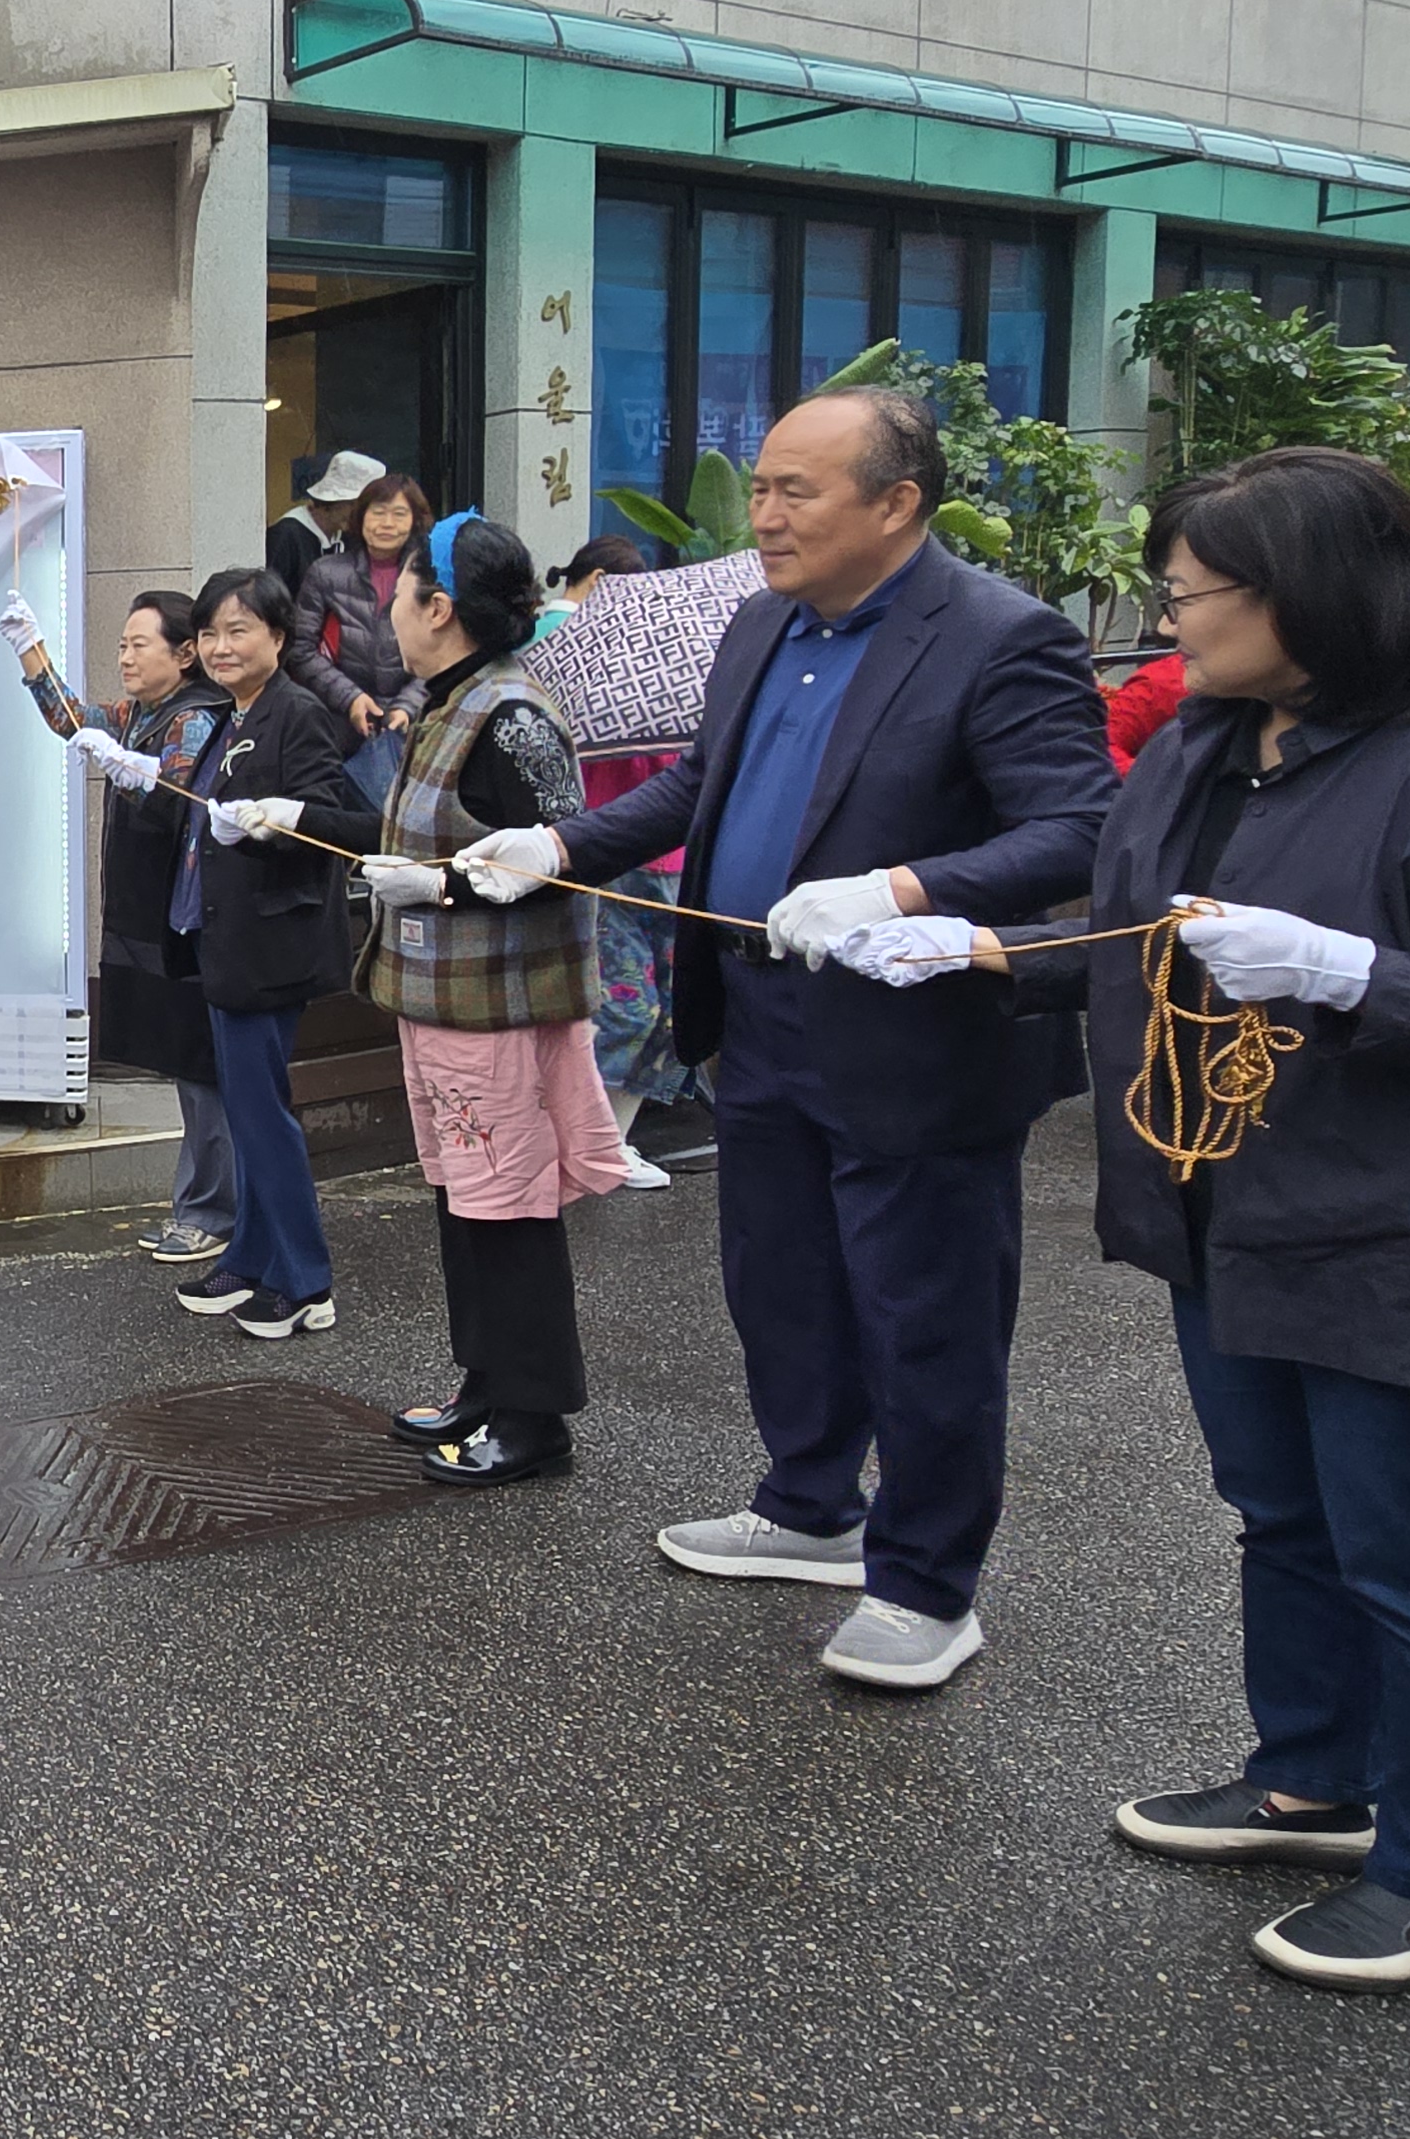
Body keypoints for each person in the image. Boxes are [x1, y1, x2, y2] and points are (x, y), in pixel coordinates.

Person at [838, 449, 1410, 1988]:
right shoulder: (1200, 746)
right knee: (1283, 1515)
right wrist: (979, 950)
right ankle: (1313, 1776)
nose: (1171, 612)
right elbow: (1136, 933)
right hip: (1226, 1200)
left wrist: (1347, 972)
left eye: (1199, 588)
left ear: (1317, 595)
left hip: (1404, 1232)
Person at [480, 388, 1113, 1689]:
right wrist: (556, 844)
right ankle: (811, 1504)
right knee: (782, 1286)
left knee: (924, 1313)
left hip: (914, 1036)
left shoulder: (1001, 638)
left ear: (897, 502)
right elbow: (697, 783)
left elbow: (1078, 830)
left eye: (795, 492)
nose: (763, 516)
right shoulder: (761, 621)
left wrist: (901, 889)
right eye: (760, 487)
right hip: (761, 1016)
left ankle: (927, 1584)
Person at [258, 517, 616, 1484]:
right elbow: (410, 834)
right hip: (444, 1004)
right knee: (465, 1197)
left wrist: (445, 887)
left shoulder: (513, 714)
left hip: (499, 1008)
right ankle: (486, 1384)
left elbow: (569, 860)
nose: (389, 614)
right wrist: (304, 822)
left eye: (401, 595)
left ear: (441, 608)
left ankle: (534, 1418)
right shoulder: (448, 698)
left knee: (507, 1204)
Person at [5, 584, 235, 1269]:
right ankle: (201, 1205)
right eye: (121, 645)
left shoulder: (194, 718)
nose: (126, 658)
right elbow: (73, 719)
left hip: (188, 921)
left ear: (185, 653)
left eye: (139, 644)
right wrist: (30, 649)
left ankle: (211, 1212)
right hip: (150, 913)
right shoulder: (141, 713)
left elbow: (176, 793)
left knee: (202, 1068)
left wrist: (136, 773)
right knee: (186, 1065)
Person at [175, 565, 367, 1338]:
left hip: (272, 946)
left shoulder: (297, 713)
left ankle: (305, 1279)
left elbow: (347, 825)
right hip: (230, 941)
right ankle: (252, 1257)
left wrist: (282, 819)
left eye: (238, 630)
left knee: (262, 1117)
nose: (220, 647)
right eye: (209, 633)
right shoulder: (236, 713)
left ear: (280, 638)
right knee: (247, 1112)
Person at [542, 534, 695, 1194]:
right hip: (612, 861)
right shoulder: (570, 651)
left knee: (674, 1015)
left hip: (678, 864)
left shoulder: (680, 664)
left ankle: (616, 1140)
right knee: (626, 1011)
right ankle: (589, 1144)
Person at [288, 471, 432, 796]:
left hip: (411, 727)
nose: (387, 524)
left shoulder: (429, 577)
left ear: (415, 520)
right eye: (377, 512)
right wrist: (350, 697)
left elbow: (443, 653)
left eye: (399, 514)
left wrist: (407, 706)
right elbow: (301, 649)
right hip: (336, 723)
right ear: (360, 516)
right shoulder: (326, 573)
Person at [265, 446, 388, 597]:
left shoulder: (348, 537)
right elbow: (266, 599)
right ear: (336, 501)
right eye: (355, 506)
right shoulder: (286, 536)